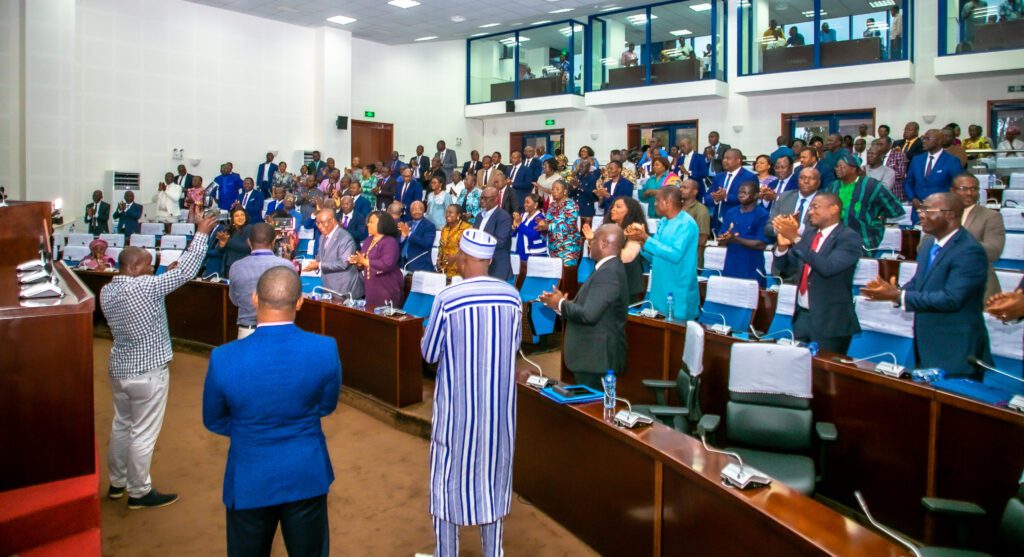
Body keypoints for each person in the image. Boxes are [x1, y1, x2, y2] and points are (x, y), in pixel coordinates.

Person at [203, 266, 340, 557]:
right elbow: (326, 405)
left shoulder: (224, 358)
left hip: (250, 475)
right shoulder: (325, 349)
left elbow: (213, 419)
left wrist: (249, 426)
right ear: (300, 301)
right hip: (305, 471)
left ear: (254, 299)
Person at [100, 213, 217, 509]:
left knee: (121, 425)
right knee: (143, 433)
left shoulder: (107, 290)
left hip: (120, 368)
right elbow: (187, 271)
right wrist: (202, 233)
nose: (152, 269)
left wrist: (165, 273)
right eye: (148, 265)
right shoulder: (148, 287)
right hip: (148, 373)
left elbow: (155, 284)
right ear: (135, 267)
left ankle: (117, 483)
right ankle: (139, 492)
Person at [421, 229, 521, 557]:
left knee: (447, 483)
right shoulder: (512, 296)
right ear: (490, 260)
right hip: (498, 417)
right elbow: (515, 346)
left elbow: (430, 353)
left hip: (457, 416)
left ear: (462, 258)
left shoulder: (448, 299)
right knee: (493, 482)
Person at [861, 193, 991, 378]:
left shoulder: (969, 250)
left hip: (956, 349)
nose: (921, 214)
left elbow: (952, 299)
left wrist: (899, 297)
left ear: (950, 215)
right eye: (920, 209)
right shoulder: (929, 244)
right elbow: (919, 282)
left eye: (927, 210)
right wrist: (896, 291)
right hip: (928, 344)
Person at [541, 223, 629, 388]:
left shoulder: (608, 273)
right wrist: (560, 304)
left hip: (596, 359)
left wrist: (560, 303)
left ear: (604, 244)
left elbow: (589, 314)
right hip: (592, 358)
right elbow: (593, 306)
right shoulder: (607, 269)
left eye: (593, 239)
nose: (589, 243)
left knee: (593, 407)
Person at [772, 193, 862, 354]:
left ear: (834, 209)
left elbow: (827, 268)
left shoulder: (849, 237)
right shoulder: (809, 234)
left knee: (822, 377)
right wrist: (782, 248)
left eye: (815, 207)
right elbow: (786, 267)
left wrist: (795, 238)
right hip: (802, 316)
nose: (810, 212)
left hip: (830, 322)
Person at [625, 187, 699, 321]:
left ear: (668, 202)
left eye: (657, 200)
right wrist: (640, 242)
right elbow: (654, 257)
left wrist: (646, 239)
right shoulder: (664, 222)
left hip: (678, 288)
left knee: (676, 336)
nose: (654, 204)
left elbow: (674, 255)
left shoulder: (686, 224)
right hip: (659, 288)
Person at [227, 222, 295, 339]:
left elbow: (234, 300)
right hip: (279, 332)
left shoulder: (236, 267)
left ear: (249, 242)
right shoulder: (287, 266)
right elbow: (292, 301)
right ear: (273, 242)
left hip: (247, 332)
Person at [825, 154, 904, 249]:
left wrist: (878, 217)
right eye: (836, 166)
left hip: (863, 238)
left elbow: (895, 208)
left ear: (853, 168)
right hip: (836, 240)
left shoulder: (870, 185)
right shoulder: (832, 186)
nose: (838, 169)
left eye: (842, 166)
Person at [584, 197, 649, 300]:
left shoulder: (634, 228)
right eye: (613, 206)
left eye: (618, 207)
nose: (613, 209)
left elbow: (628, 256)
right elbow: (594, 256)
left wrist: (599, 245)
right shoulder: (607, 228)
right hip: (606, 281)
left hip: (627, 282)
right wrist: (592, 242)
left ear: (630, 210)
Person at [953, 173, 1006, 299]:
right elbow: (923, 246)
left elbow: (994, 251)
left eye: (974, 189)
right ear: (952, 191)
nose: (969, 193)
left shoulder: (991, 216)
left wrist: (954, 242)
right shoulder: (940, 214)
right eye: (963, 189)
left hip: (979, 287)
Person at [904, 129, 963, 223]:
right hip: (918, 212)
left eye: (928, 139)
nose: (924, 141)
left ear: (939, 141)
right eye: (923, 138)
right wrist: (913, 198)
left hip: (940, 213)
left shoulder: (952, 161)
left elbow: (958, 186)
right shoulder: (917, 159)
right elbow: (908, 182)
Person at [302, 208, 363, 299]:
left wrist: (318, 265)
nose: (320, 226)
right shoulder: (322, 237)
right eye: (317, 223)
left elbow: (343, 264)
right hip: (328, 286)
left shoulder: (345, 238)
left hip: (344, 288)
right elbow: (320, 257)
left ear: (333, 221)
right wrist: (313, 264)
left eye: (323, 222)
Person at [349, 211, 404, 309]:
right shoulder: (368, 240)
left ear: (382, 224)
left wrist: (365, 261)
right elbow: (363, 261)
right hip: (371, 286)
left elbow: (387, 264)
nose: (368, 224)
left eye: (371, 222)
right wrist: (358, 261)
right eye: (368, 222)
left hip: (386, 286)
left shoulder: (390, 242)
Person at [718, 182, 769, 286]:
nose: (741, 195)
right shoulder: (731, 212)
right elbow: (721, 239)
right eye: (739, 192)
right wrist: (724, 238)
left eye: (745, 193)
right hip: (731, 265)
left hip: (752, 267)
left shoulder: (762, 214)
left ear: (755, 196)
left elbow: (761, 244)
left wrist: (736, 239)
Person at [766, 166, 822, 247]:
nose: (806, 181)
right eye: (803, 178)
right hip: (784, 249)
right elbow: (768, 228)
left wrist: (796, 229)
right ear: (798, 180)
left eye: (811, 178)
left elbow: (826, 230)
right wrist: (782, 226)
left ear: (819, 182)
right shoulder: (784, 197)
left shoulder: (824, 201)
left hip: (811, 250)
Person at [704, 148, 755, 226]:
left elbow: (749, 200)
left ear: (738, 160)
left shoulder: (749, 177)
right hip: (718, 222)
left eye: (728, 158)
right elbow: (707, 197)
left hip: (738, 222)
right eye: (724, 158)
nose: (724, 161)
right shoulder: (719, 176)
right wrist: (715, 199)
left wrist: (726, 197)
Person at [474, 186, 513, 281]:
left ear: (496, 199)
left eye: (485, 198)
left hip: (498, 264)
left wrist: (480, 245)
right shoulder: (479, 216)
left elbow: (500, 241)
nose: (482, 200)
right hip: (480, 264)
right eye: (481, 198)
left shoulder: (504, 217)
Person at [537, 181, 581, 266]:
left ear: (565, 191)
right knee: (556, 276)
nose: (554, 191)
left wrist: (547, 227)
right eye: (553, 189)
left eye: (557, 189)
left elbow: (568, 226)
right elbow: (547, 222)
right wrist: (541, 226)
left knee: (567, 276)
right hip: (553, 247)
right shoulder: (552, 206)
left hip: (568, 247)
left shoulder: (571, 205)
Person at [209, 207, 252, 277]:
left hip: (242, 267)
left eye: (242, 215)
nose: (240, 218)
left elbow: (247, 248)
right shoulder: (228, 230)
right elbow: (220, 250)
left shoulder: (249, 228)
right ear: (232, 218)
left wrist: (228, 242)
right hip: (228, 266)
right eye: (237, 216)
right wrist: (221, 244)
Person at [398, 200, 437, 272]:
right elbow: (399, 244)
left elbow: (427, 244)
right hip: (403, 263)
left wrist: (409, 234)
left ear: (423, 210)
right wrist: (403, 237)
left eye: (419, 209)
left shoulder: (429, 226)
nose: (416, 212)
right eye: (414, 209)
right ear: (410, 212)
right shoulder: (407, 224)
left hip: (419, 265)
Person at [437, 204, 472, 278]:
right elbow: (441, 247)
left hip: (460, 271)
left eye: (450, 212)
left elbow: (469, 250)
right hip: (444, 270)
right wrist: (438, 260)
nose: (447, 215)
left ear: (458, 215)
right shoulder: (444, 229)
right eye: (446, 212)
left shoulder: (467, 229)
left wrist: (455, 257)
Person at [513, 194, 547, 260]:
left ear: (535, 205)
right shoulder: (523, 215)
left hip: (534, 254)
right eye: (524, 202)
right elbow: (516, 233)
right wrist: (514, 226)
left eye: (527, 202)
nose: (525, 204)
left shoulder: (540, 217)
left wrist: (519, 224)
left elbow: (533, 234)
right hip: (520, 252)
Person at [571, 159, 599, 224]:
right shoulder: (577, 177)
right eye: (580, 166)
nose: (581, 168)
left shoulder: (592, 178)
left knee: (585, 232)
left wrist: (580, 186)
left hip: (587, 211)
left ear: (588, 168)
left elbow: (593, 196)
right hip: (575, 210)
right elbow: (570, 195)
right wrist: (573, 187)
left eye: (583, 166)